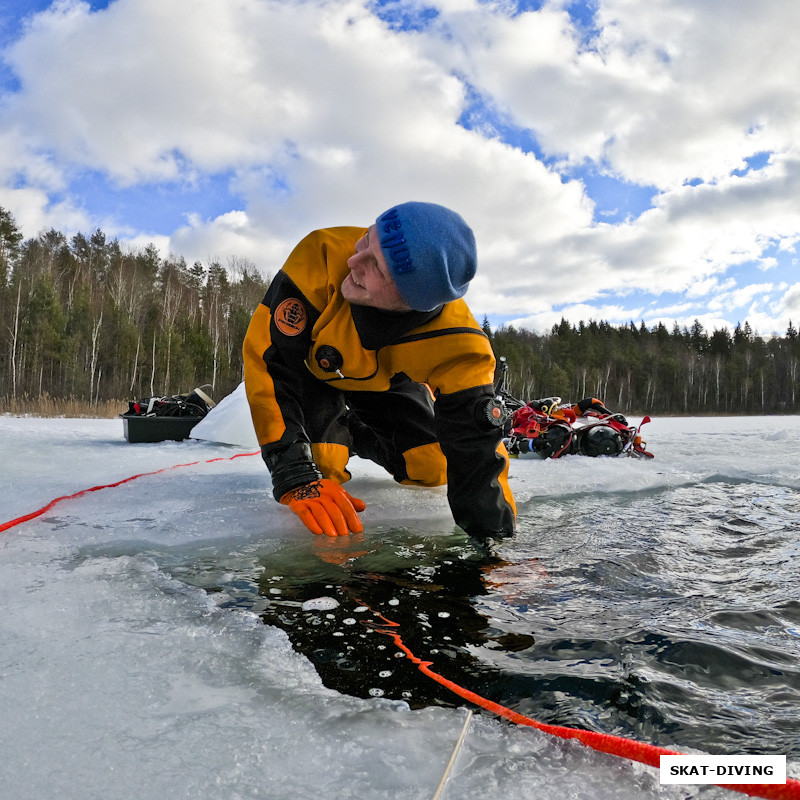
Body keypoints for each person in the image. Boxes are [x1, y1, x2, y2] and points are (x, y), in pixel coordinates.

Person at [242, 201, 516, 543]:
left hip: (384, 383)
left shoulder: (460, 345)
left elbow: (476, 443)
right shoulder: (323, 253)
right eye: (367, 239)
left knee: (432, 467)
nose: (353, 262)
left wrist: (495, 541)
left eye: (378, 269)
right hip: (312, 374)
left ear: (412, 302)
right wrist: (294, 473)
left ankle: (352, 432)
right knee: (324, 464)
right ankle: (331, 438)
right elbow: (268, 360)